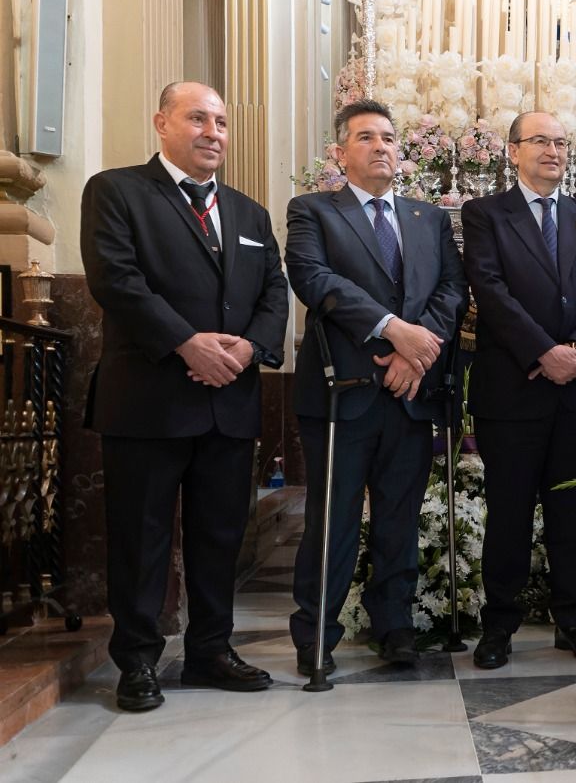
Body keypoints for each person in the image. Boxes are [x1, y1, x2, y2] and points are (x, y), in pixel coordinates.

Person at [81, 81, 289, 712]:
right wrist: (187, 344)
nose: (213, 133)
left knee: (221, 535)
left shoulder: (250, 213)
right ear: (161, 123)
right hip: (149, 398)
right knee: (140, 537)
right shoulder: (117, 191)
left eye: (221, 122)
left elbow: (274, 292)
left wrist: (250, 350)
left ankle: (211, 650)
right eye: (197, 118)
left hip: (229, 402)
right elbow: (117, 280)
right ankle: (138, 661)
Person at [285, 99, 467, 676]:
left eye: (389, 137)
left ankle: (396, 627)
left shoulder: (429, 218)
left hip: (412, 396)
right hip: (343, 397)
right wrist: (394, 330)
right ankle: (317, 636)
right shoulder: (313, 210)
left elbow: (450, 291)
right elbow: (315, 280)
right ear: (340, 153)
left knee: (399, 520)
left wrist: (419, 353)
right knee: (332, 523)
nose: (381, 146)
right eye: (366, 137)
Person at [461, 111, 576, 668]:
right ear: (513, 150)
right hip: (514, 389)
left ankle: (572, 618)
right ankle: (499, 624)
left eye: (560, 141)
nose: (553, 150)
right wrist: (541, 351)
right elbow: (490, 289)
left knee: (574, 509)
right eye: (540, 141)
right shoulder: (485, 214)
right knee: (508, 511)